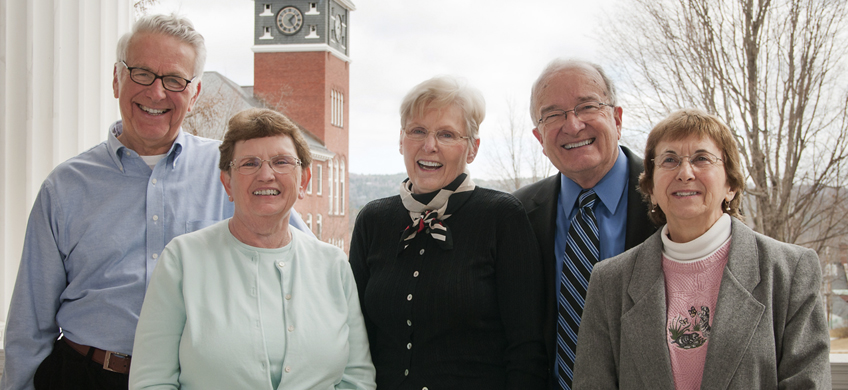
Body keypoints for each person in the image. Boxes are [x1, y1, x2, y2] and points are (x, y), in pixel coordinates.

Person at [2, 14, 309, 390]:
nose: (157, 92)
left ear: (194, 94)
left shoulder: (234, 173)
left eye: (174, 80)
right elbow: (29, 323)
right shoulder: (65, 188)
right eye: (141, 73)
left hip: (199, 380)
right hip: (88, 376)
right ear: (116, 79)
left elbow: (305, 264)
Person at [573, 108, 831, 389]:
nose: (685, 173)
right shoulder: (610, 281)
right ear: (651, 187)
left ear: (730, 184)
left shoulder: (791, 272)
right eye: (669, 160)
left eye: (701, 159)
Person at [129, 108, 375, 389]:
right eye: (249, 163)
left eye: (281, 162)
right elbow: (151, 381)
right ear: (227, 183)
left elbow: (356, 379)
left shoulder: (333, 265)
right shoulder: (182, 260)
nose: (266, 175)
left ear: (304, 181)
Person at [349, 75, 547, 389]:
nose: (430, 146)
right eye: (418, 131)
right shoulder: (372, 220)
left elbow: (527, 348)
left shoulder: (501, 216)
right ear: (401, 140)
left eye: (447, 134)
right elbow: (355, 338)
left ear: (472, 148)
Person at [512, 58, 657, 389]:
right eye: (553, 115)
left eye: (586, 106)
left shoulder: (668, 202)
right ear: (539, 137)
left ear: (616, 119)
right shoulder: (516, 216)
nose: (573, 125)